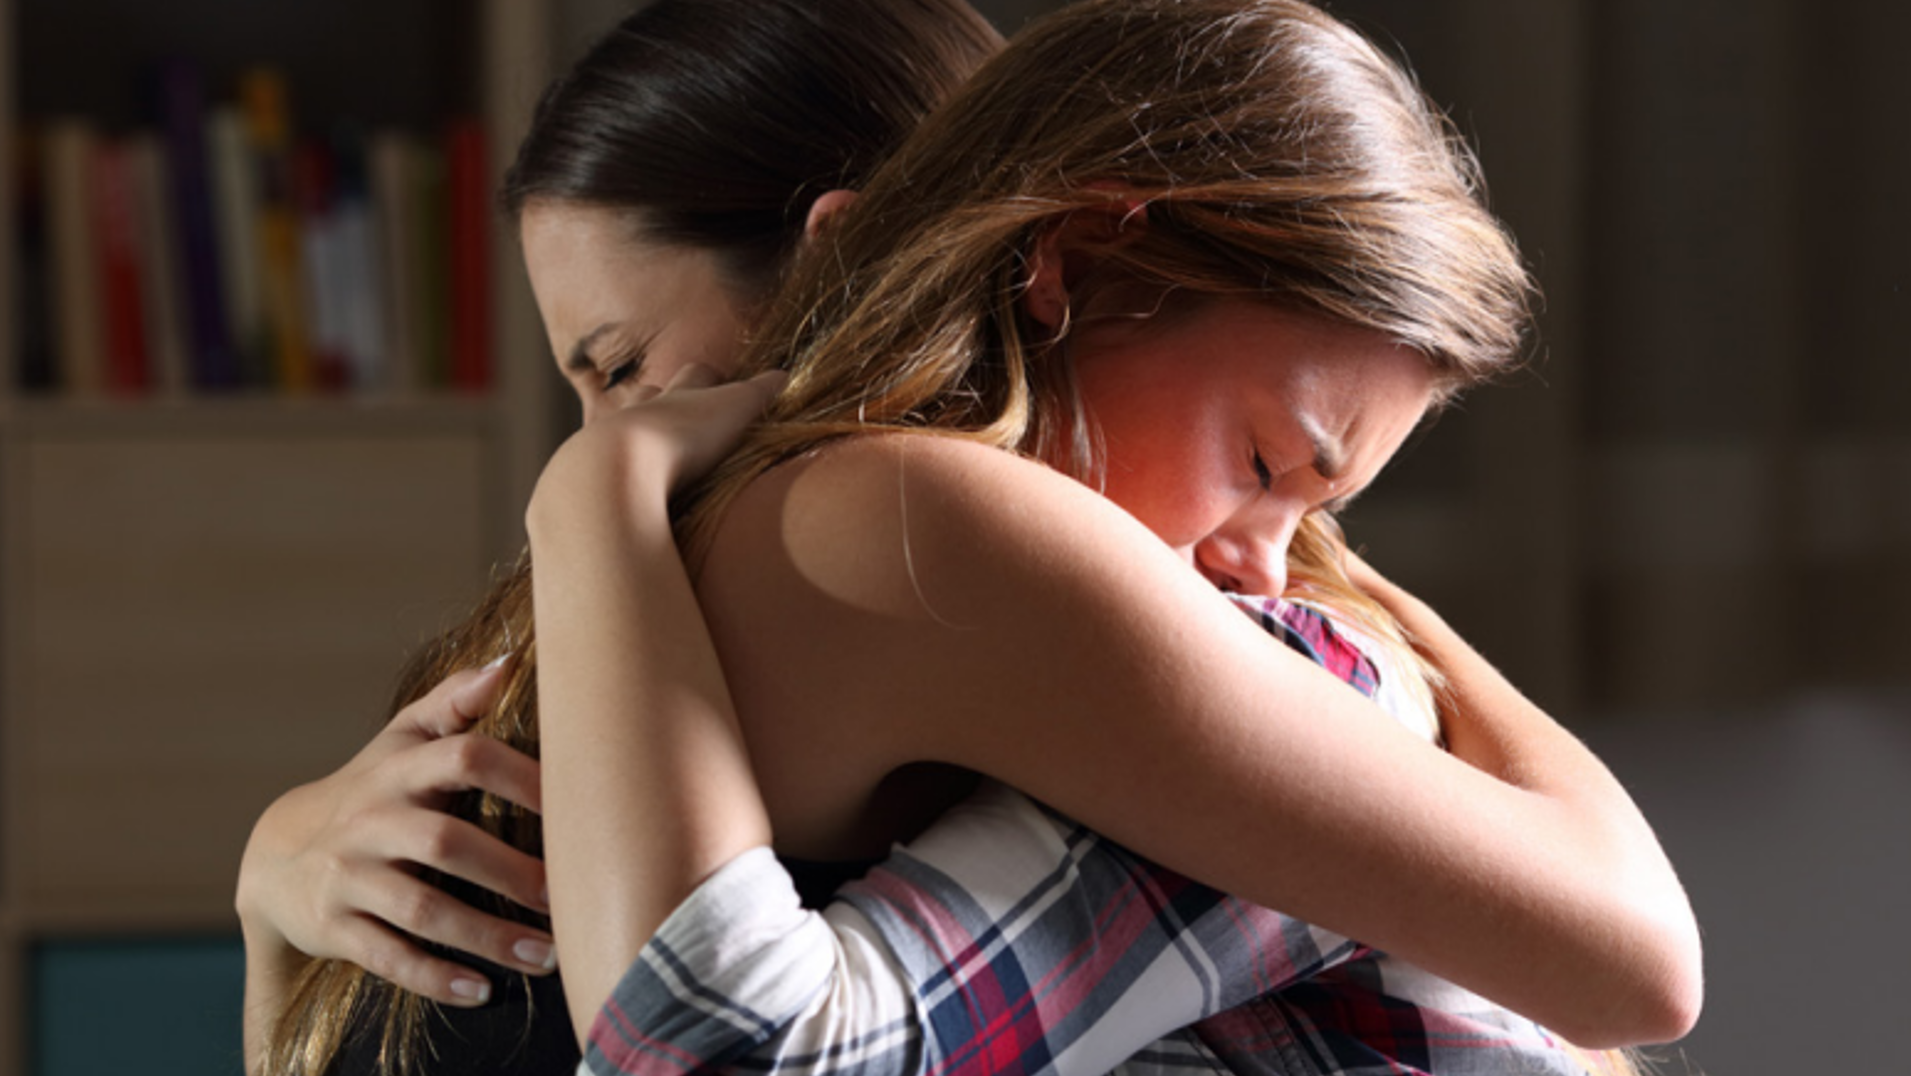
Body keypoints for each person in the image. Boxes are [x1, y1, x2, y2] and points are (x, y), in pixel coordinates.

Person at [525, 4, 1701, 1076]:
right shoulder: (910, 514)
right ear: (1074, 264)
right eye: (1259, 463)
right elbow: (1642, 961)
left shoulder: (840, 539)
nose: (1265, 560)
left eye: (1316, 510)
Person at [237, 2, 1003, 1073]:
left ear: (841, 263)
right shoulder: (655, 599)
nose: (611, 431)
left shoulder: (862, 558)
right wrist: (272, 893)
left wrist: (592, 493)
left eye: (622, 363)